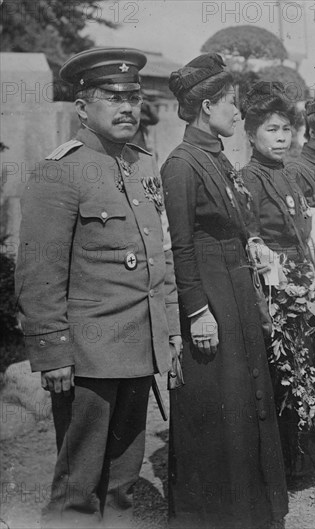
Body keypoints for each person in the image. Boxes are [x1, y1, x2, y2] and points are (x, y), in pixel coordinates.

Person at [15, 47, 182, 529]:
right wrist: (53, 352)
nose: (128, 106)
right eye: (113, 97)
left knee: (122, 482)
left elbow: (160, 257)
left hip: (138, 345)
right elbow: (39, 273)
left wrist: (169, 330)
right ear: (83, 107)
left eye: (133, 96)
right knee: (79, 483)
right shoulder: (60, 170)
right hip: (88, 354)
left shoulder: (142, 165)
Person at [161, 54, 288, 528]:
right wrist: (197, 312)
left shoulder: (215, 155)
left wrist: (251, 239)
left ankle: (251, 510)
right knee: (220, 404)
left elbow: (232, 220)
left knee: (244, 397)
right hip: (211, 296)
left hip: (235, 290)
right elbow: (180, 245)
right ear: (207, 105)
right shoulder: (181, 165)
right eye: (232, 104)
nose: (238, 113)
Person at [239, 81, 315, 478]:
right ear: (251, 133)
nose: (281, 137)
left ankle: (302, 458)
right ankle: (279, 466)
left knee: (304, 365)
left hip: (300, 280)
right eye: (271, 129)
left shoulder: (289, 174)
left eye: (286, 129)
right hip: (273, 289)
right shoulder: (248, 180)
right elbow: (252, 240)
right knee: (280, 372)